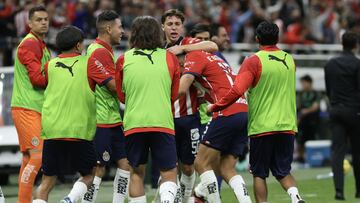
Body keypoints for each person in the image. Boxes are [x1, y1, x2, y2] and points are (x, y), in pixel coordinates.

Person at [207, 21, 305, 203]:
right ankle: (295, 196)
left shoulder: (253, 61)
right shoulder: (290, 60)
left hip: (263, 126)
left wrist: (215, 106)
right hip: (288, 125)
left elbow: (237, 91)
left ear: (257, 38)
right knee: (283, 171)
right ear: (278, 38)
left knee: (259, 173)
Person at [32, 25, 116, 203]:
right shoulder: (89, 63)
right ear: (79, 46)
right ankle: (69, 199)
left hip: (52, 130)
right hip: (78, 131)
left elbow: (39, 83)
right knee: (89, 174)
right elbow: (112, 86)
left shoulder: (49, 66)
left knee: (47, 181)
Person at [115, 16, 180, 203]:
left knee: (136, 173)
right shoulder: (170, 58)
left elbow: (121, 96)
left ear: (134, 34)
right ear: (158, 33)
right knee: (168, 171)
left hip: (134, 123)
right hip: (162, 122)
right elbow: (174, 94)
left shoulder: (123, 60)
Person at [177, 44, 251, 203]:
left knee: (200, 162)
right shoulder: (216, 59)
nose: (180, 66)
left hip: (226, 112)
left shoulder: (194, 56)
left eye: (179, 61)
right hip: (243, 111)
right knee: (226, 168)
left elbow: (182, 89)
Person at [161, 9, 218, 203]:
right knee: (169, 166)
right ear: (163, 27)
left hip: (188, 116)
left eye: (177, 24)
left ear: (182, 27)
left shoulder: (189, 43)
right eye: (170, 24)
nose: (174, 28)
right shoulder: (158, 48)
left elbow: (212, 45)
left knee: (188, 165)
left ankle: (185, 200)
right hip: (165, 116)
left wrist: (183, 50)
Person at [82, 10, 130, 203]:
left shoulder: (104, 50)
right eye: (120, 27)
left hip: (112, 119)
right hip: (102, 120)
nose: (123, 31)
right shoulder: (99, 52)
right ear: (108, 28)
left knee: (125, 164)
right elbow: (113, 86)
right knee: (98, 168)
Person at [11, 5, 50, 203]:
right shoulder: (30, 45)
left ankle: (23, 201)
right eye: (38, 20)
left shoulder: (40, 45)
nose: (43, 22)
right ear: (29, 23)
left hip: (32, 107)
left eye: (46, 19)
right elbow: (38, 79)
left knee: (28, 159)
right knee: (38, 157)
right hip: (27, 107)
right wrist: (56, 71)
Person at [324, 31, 360, 201]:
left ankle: (339, 191)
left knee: (338, 153)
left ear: (342, 43)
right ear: (355, 45)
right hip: (354, 111)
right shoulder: (357, 64)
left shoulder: (330, 64)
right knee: (357, 152)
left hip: (336, 110)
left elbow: (328, 89)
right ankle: (359, 190)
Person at [296, 74, 320, 163]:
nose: (302, 85)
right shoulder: (300, 94)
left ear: (309, 83)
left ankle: (313, 158)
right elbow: (297, 107)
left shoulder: (316, 93)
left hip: (312, 121)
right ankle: (300, 157)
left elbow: (316, 106)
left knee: (312, 139)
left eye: (304, 83)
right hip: (302, 121)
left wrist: (306, 111)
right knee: (300, 140)